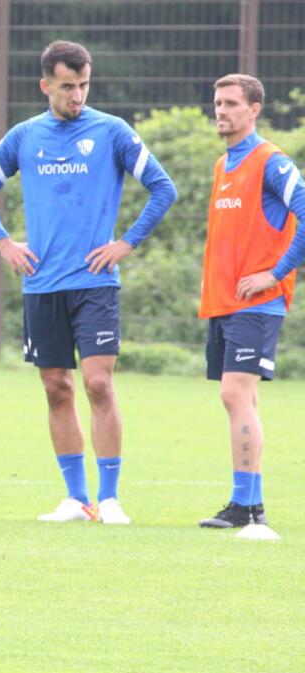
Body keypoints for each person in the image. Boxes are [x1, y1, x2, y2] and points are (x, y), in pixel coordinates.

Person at [0, 40, 178, 524]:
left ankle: (109, 499)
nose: (77, 95)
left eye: (83, 85)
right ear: (46, 85)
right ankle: (76, 499)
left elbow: (163, 188)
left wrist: (126, 242)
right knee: (56, 388)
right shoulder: (24, 136)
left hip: (96, 283)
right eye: (67, 86)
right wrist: (4, 243)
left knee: (98, 383)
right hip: (41, 285)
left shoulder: (112, 132)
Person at [196, 74, 305, 536]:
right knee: (244, 397)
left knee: (234, 394)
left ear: (254, 109)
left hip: (257, 304)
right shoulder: (224, 164)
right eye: (218, 103)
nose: (221, 110)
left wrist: (274, 273)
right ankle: (251, 505)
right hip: (224, 302)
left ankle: (245, 506)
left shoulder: (270, 161)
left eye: (232, 103)